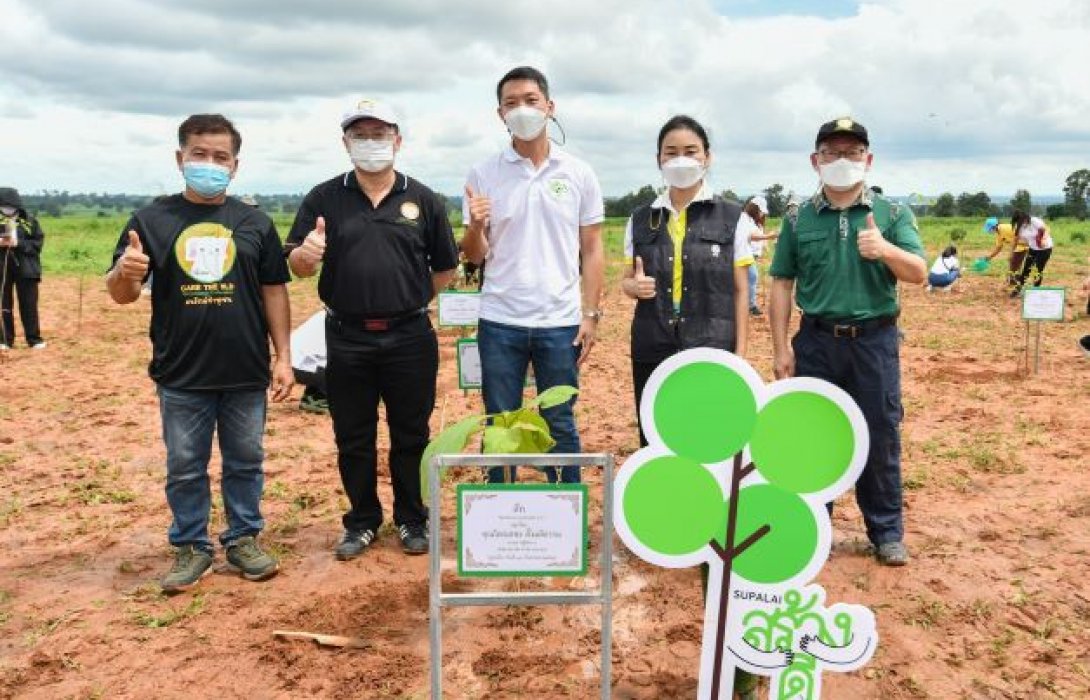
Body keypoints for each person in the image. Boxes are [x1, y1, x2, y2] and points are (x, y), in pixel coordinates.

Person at [106, 113, 292, 593]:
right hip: (181, 372)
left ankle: (243, 539)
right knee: (185, 464)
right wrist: (126, 272)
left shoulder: (253, 222)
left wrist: (283, 355)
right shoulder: (150, 221)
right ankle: (191, 546)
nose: (209, 163)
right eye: (199, 155)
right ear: (180, 158)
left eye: (219, 157)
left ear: (234, 166)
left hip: (246, 370)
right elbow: (121, 294)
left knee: (246, 460)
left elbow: (274, 290)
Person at [286, 99, 458, 559]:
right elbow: (298, 263)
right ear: (346, 143)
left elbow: (444, 269)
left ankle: (411, 518)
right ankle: (362, 520)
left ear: (397, 140)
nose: (370, 143)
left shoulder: (422, 199)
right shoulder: (323, 198)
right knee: (353, 435)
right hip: (347, 336)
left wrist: (409, 298)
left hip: (409, 337)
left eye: (379, 133)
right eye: (360, 134)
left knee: (411, 433)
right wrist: (306, 256)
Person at [769, 117, 926, 567]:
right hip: (816, 341)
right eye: (832, 152)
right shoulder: (799, 217)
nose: (842, 161)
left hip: (874, 343)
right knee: (811, 438)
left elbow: (917, 272)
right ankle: (812, 530)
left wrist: (885, 250)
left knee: (880, 434)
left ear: (869, 160)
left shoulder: (893, 214)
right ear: (815, 161)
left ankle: (886, 532)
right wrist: (782, 349)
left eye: (853, 152)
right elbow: (781, 283)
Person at [461, 66, 605, 485]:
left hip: (560, 323)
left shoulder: (578, 173)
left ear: (549, 107)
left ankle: (565, 512)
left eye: (530, 100)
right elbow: (475, 256)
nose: (521, 110)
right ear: (499, 114)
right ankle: (497, 517)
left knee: (560, 420)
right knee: (500, 424)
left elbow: (593, 248)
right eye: (511, 103)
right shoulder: (484, 173)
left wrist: (591, 314)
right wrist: (473, 227)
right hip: (500, 319)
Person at [622, 114, 751, 447]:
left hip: (712, 345)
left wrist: (739, 353)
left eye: (691, 151)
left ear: (707, 157)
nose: (681, 159)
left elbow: (740, 291)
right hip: (654, 345)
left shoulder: (733, 217)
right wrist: (633, 287)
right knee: (656, 437)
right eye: (671, 151)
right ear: (658, 160)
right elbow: (626, 280)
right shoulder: (640, 219)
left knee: (710, 440)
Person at [0, 187, 46, 350]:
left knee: (29, 304)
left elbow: (37, 245)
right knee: (3, 304)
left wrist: (18, 243)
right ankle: (5, 340)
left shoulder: (30, 222)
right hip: (3, 269)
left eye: (10, 206)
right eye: (3, 206)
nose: (7, 209)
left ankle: (34, 339)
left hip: (26, 269)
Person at [739, 195, 779, 316]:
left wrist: (765, 244)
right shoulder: (743, 219)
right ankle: (751, 306)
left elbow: (758, 236)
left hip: (751, 256)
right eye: (761, 211)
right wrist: (769, 236)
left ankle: (747, 304)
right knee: (752, 277)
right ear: (755, 209)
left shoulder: (753, 221)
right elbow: (750, 236)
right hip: (744, 254)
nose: (762, 214)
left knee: (748, 279)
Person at [290, 310, 329, 414]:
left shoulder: (331, 311)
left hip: (293, 366)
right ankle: (321, 397)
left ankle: (313, 393)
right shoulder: (343, 317)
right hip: (301, 367)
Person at [1010, 210, 1053, 297]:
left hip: (1045, 249)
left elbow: (1046, 230)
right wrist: (1012, 253)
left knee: (1038, 270)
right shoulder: (1019, 227)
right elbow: (1016, 240)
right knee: (1026, 269)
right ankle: (1018, 289)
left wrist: (1043, 239)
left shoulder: (1034, 221)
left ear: (1025, 217)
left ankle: (1036, 290)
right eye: (1019, 222)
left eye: (1023, 220)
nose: (1022, 223)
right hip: (1033, 249)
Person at [982, 216, 1027, 290]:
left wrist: (1011, 253)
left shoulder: (1005, 228)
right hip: (1017, 249)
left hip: (1023, 246)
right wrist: (989, 257)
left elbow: (1019, 236)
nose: (990, 231)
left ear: (994, 226)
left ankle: (1016, 286)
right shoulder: (998, 233)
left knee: (1014, 265)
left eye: (990, 228)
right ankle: (1014, 284)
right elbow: (998, 248)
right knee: (1014, 265)